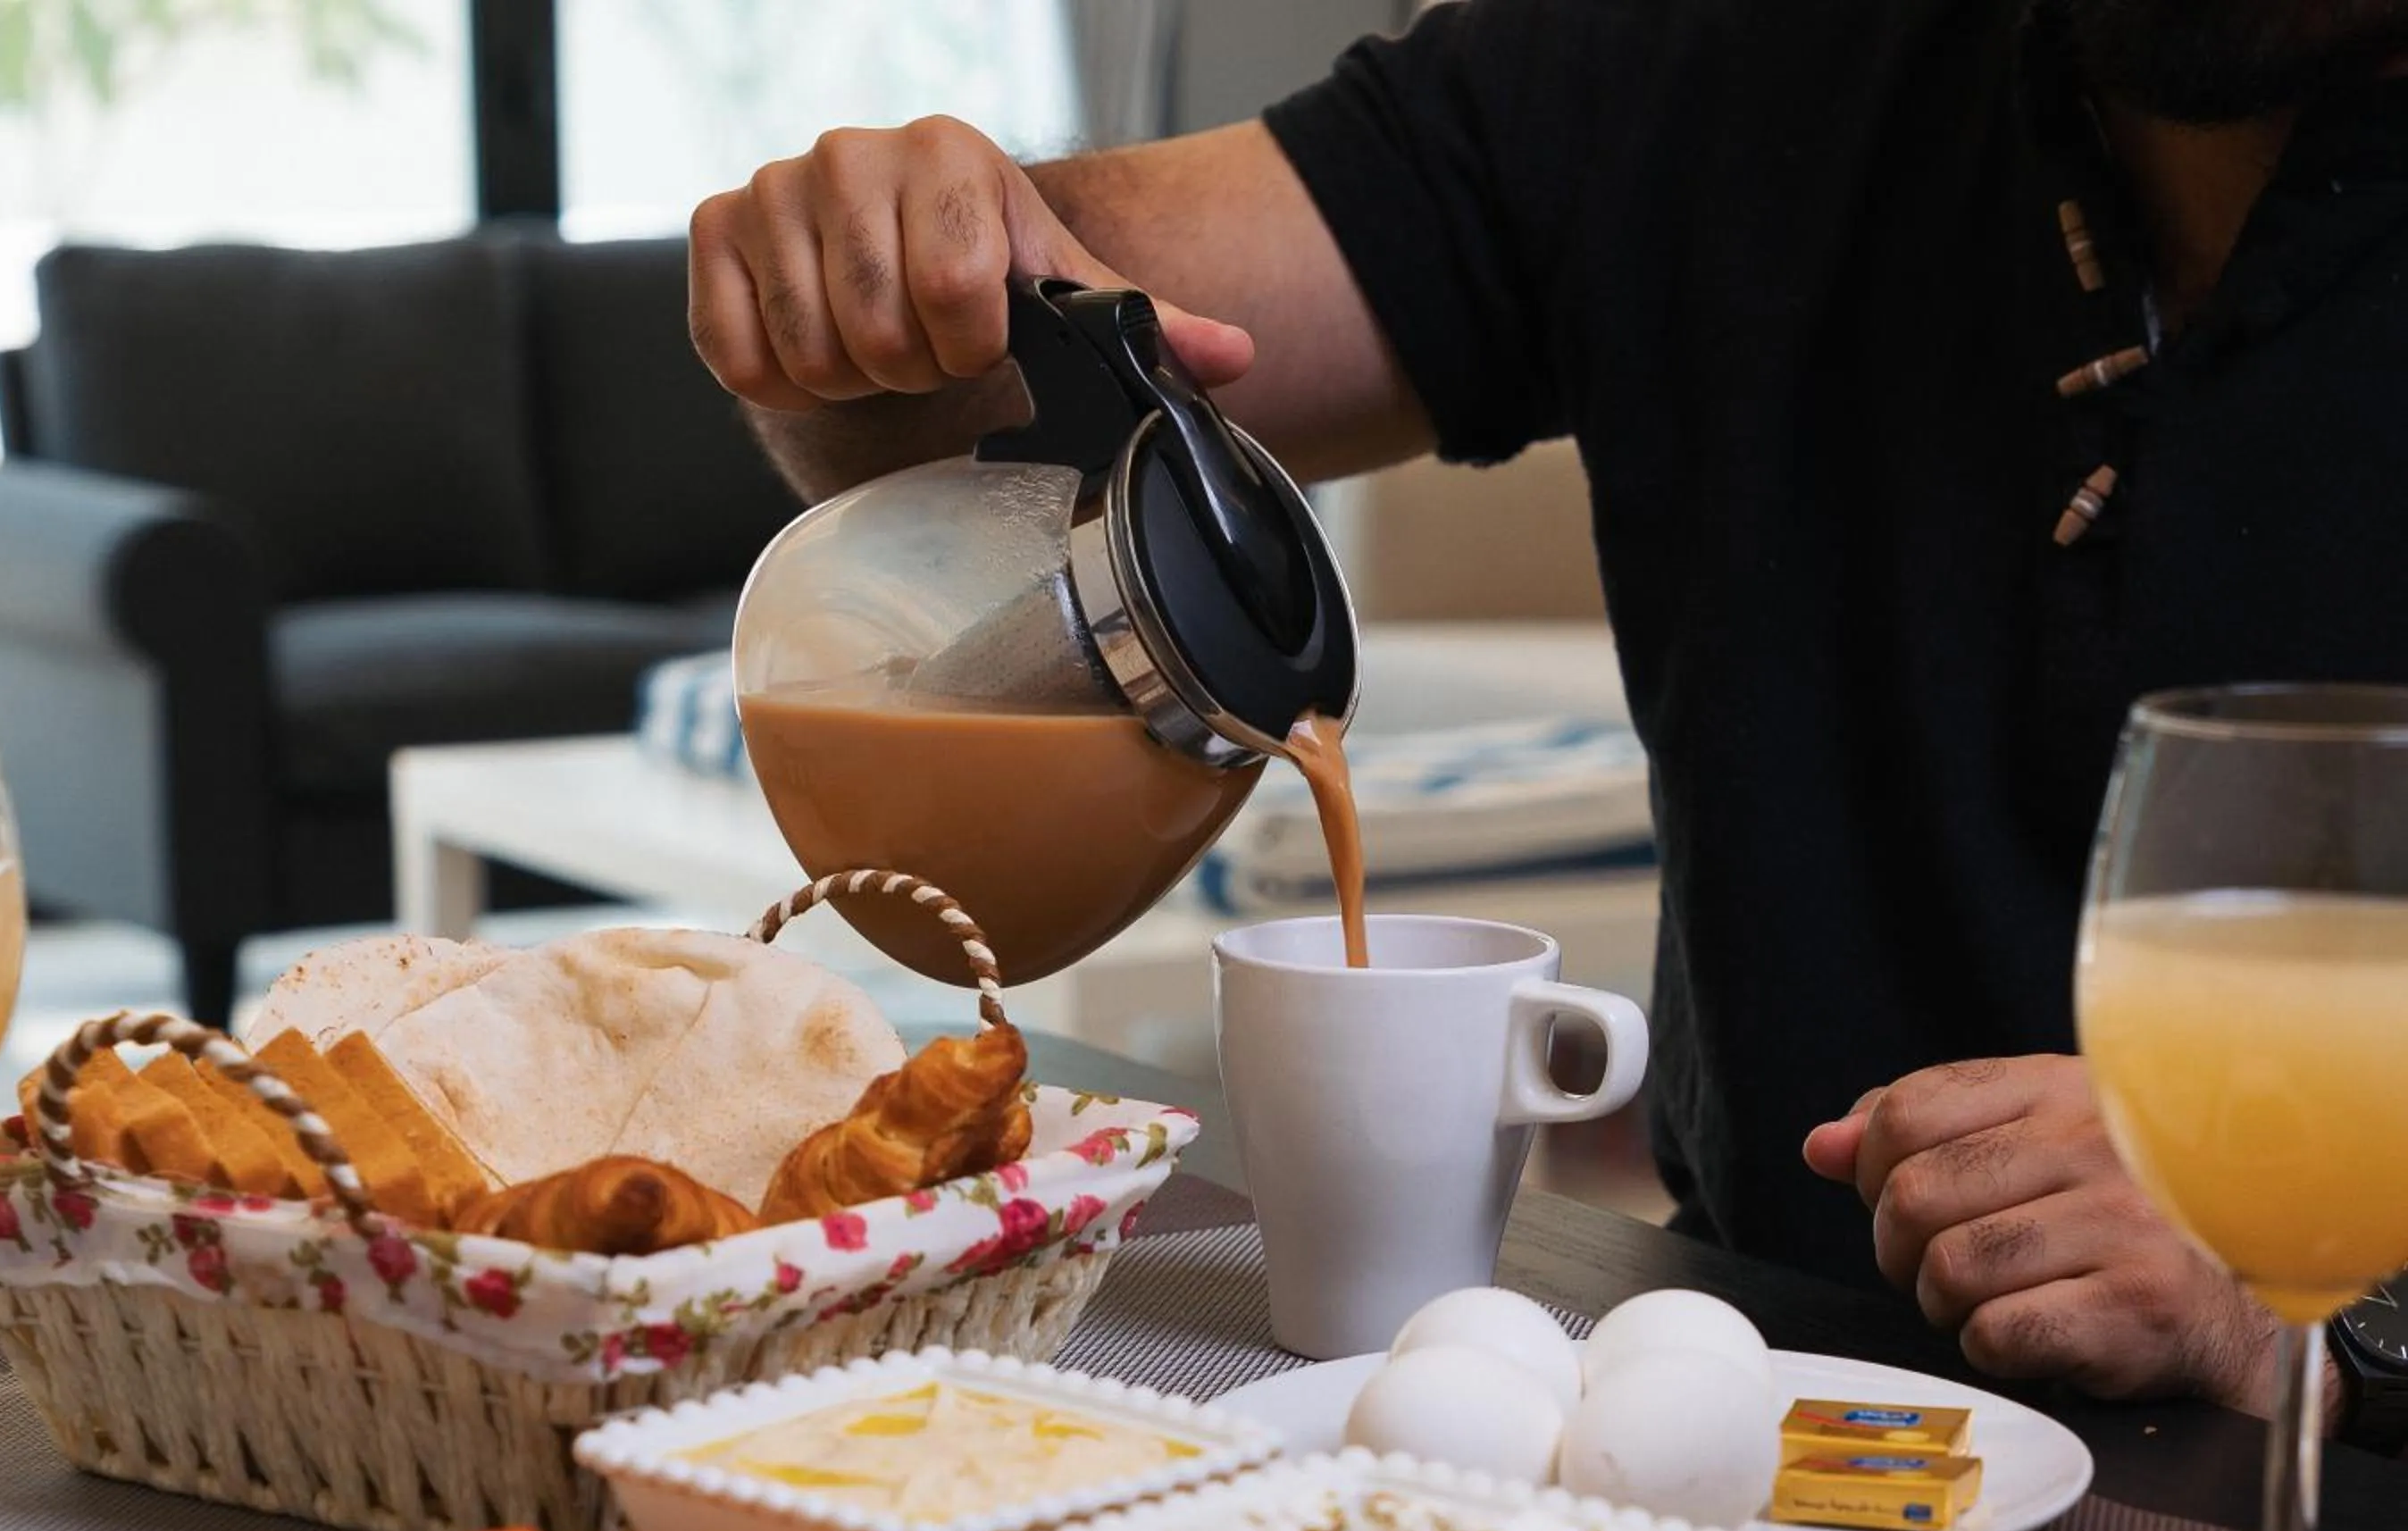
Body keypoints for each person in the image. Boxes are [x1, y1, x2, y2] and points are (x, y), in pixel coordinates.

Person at [687, 0, 2408, 1425]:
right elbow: (979, 400)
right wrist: (873, 271)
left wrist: (2324, 1303)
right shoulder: (1714, 61)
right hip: (1753, 1402)